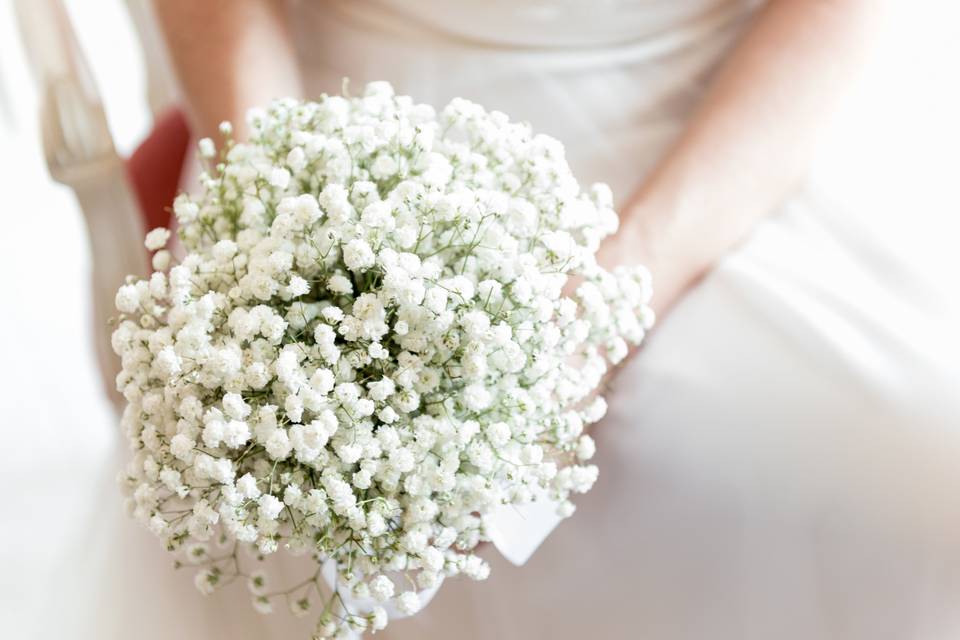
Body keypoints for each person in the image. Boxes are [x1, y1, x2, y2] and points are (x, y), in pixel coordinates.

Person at [134, 1, 960, 638]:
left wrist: (609, 302)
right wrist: (291, 193)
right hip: (332, 114)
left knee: (912, 455)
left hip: (733, 112)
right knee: (300, 456)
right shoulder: (307, 171)